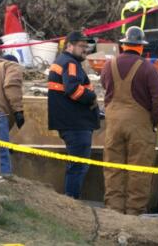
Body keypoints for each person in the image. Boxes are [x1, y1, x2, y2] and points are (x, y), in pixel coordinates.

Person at [101, 26, 158, 215]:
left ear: (123, 45)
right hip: (139, 126)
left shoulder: (108, 65)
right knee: (139, 171)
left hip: (113, 125)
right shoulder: (148, 68)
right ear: (141, 47)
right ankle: (134, 214)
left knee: (113, 168)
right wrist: (152, 122)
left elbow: (106, 90)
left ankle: (113, 211)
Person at [48, 31, 100, 199]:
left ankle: (71, 201)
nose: (85, 50)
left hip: (69, 121)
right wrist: (91, 98)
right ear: (69, 45)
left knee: (76, 165)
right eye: (81, 46)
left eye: (86, 46)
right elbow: (73, 90)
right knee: (78, 166)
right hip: (76, 125)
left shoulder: (62, 61)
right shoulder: (70, 63)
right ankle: (72, 202)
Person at [0, 54, 25, 177]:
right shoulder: (12, 66)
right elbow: (12, 86)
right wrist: (18, 110)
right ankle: (5, 182)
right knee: (2, 152)